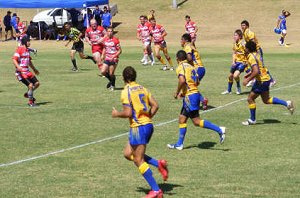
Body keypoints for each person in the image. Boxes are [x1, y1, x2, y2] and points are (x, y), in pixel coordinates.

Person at [112, 66, 168, 198]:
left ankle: (156, 190)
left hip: (139, 128)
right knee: (127, 153)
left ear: (124, 78)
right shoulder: (143, 88)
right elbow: (156, 105)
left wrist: (116, 114)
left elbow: (128, 113)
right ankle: (158, 163)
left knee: (138, 159)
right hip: (144, 126)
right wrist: (148, 117)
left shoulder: (126, 91)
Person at [167, 50, 226, 150]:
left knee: (196, 121)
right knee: (182, 119)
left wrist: (177, 92)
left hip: (190, 97)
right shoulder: (191, 67)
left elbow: (182, 80)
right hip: (194, 94)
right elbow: (197, 82)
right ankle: (179, 144)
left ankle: (220, 129)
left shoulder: (180, 67)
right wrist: (185, 90)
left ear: (177, 59)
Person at [242, 41, 294, 125]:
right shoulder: (257, 54)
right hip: (265, 79)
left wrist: (248, 79)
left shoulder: (251, 57)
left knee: (250, 99)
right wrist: (250, 74)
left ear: (248, 48)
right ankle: (287, 103)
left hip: (261, 81)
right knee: (266, 100)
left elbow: (256, 71)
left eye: (245, 47)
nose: (244, 49)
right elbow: (259, 68)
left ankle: (252, 119)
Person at [241, 20, 276, 87]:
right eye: (242, 25)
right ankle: (254, 80)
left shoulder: (249, 33)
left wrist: (247, 45)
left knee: (261, 66)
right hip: (252, 51)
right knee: (253, 66)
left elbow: (253, 43)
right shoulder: (244, 32)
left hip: (257, 50)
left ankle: (271, 80)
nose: (242, 27)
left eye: (244, 25)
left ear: (247, 26)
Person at [181, 33, 208, 110]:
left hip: (197, 69)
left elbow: (189, 58)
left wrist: (183, 62)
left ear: (185, 40)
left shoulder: (187, 46)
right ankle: (202, 100)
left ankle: (202, 100)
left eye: (181, 40)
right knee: (191, 85)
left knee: (189, 85)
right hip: (199, 68)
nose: (180, 42)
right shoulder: (190, 45)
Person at [12, 36, 40, 107]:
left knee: (37, 83)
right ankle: (31, 102)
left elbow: (29, 61)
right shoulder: (19, 49)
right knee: (30, 85)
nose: (29, 43)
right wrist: (18, 67)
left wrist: (34, 69)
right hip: (21, 72)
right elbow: (14, 59)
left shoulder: (27, 50)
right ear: (25, 42)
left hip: (27, 71)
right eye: (28, 41)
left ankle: (28, 94)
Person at [222, 29, 246, 95]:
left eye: (236, 35)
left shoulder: (243, 43)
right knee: (230, 76)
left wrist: (246, 62)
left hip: (242, 63)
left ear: (240, 36)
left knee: (235, 76)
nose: (234, 36)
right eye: (234, 35)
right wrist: (233, 62)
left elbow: (248, 52)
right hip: (236, 62)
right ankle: (229, 90)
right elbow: (234, 53)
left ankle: (238, 87)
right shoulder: (234, 44)